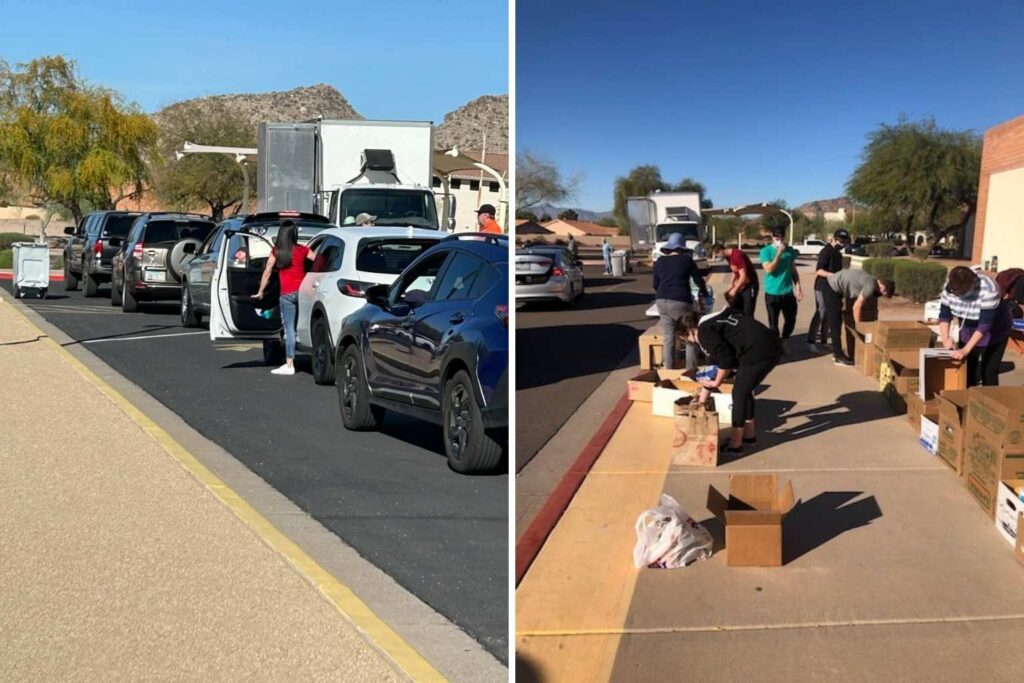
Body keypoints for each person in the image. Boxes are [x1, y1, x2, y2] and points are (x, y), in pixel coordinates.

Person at [679, 308, 781, 454]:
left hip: (758, 350)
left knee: (738, 394)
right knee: (745, 390)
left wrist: (716, 383)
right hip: (769, 345)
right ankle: (749, 436)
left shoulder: (704, 333)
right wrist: (701, 401)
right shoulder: (712, 321)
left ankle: (735, 444)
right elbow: (717, 368)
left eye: (685, 339)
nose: (689, 342)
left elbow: (725, 362)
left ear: (688, 331)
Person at [252, 220, 316, 376]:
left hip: (286, 295)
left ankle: (289, 363)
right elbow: (318, 261)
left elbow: (267, 271)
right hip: (303, 293)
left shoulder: (276, 251)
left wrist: (260, 291)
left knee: (289, 330)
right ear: (294, 234)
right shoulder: (303, 250)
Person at [938, 266, 1012, 386]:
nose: (961, 298)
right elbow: (944, 315)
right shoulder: (949, 288)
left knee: (988, 372)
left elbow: (985, 325)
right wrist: (945, 338)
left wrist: (966, 349)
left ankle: (990, 401)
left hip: (994, 329)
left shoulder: (989, 289)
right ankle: (968, 399)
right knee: (967, 370)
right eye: (957, 295)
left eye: (964, 294)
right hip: (967, 327)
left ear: (974, 285)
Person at [653, 233, 709, 371]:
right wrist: (704, 293)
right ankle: (690, 371)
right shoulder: (687, 260)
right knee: (690, 335)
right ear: (682, 247)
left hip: (661, 301)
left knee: (668, 338)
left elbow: (655, 284)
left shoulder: (659, 261)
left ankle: (669, 370)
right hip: (680, 301)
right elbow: (698, 280)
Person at [824, 268, 895, 366]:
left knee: (836, 320)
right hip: (831, 288)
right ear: (883, 288)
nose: (880, 296)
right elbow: (856, 307)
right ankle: (838, 357)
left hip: (834, 286)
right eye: (883, 294)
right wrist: (860, 327)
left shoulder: (871, 279)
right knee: (835, 323)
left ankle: (837, 353)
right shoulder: (870, 285)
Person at [758, 226, 803, 354]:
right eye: (776, 236)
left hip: (788, 292)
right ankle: (776, 345)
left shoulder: (789, 251)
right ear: (772, 236)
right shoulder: (765, 251)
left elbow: (793, 270)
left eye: (781, 236)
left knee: (791, 319)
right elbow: (769, 269)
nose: (779, 238)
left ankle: (785, 340)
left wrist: (798, 288)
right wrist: (778, 253)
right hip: (772, 292)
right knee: (773, 322)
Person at [808, 229, 848, 351]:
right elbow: (819, 270)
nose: (842, 243)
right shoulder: (826, 251)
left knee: (829, 314)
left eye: (844, 241)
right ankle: (811, 342)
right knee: (821, 312)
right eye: (841, 240)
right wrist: (833, 276)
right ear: (834, 239)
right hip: (822, 286)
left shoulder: (839, 254)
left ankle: (824, 341)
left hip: (833, 287)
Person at [712, 243, 759, 317]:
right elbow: (735, 270)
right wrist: (731, 284)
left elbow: (743, 276)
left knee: (747, 311)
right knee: (732, 302)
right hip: (742, 284)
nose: (717, 256)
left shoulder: (736, 255)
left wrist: (735, 289)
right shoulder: (728, 257)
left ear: (721, 251)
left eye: (717, 254)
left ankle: (748, 325)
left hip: (750, 284)